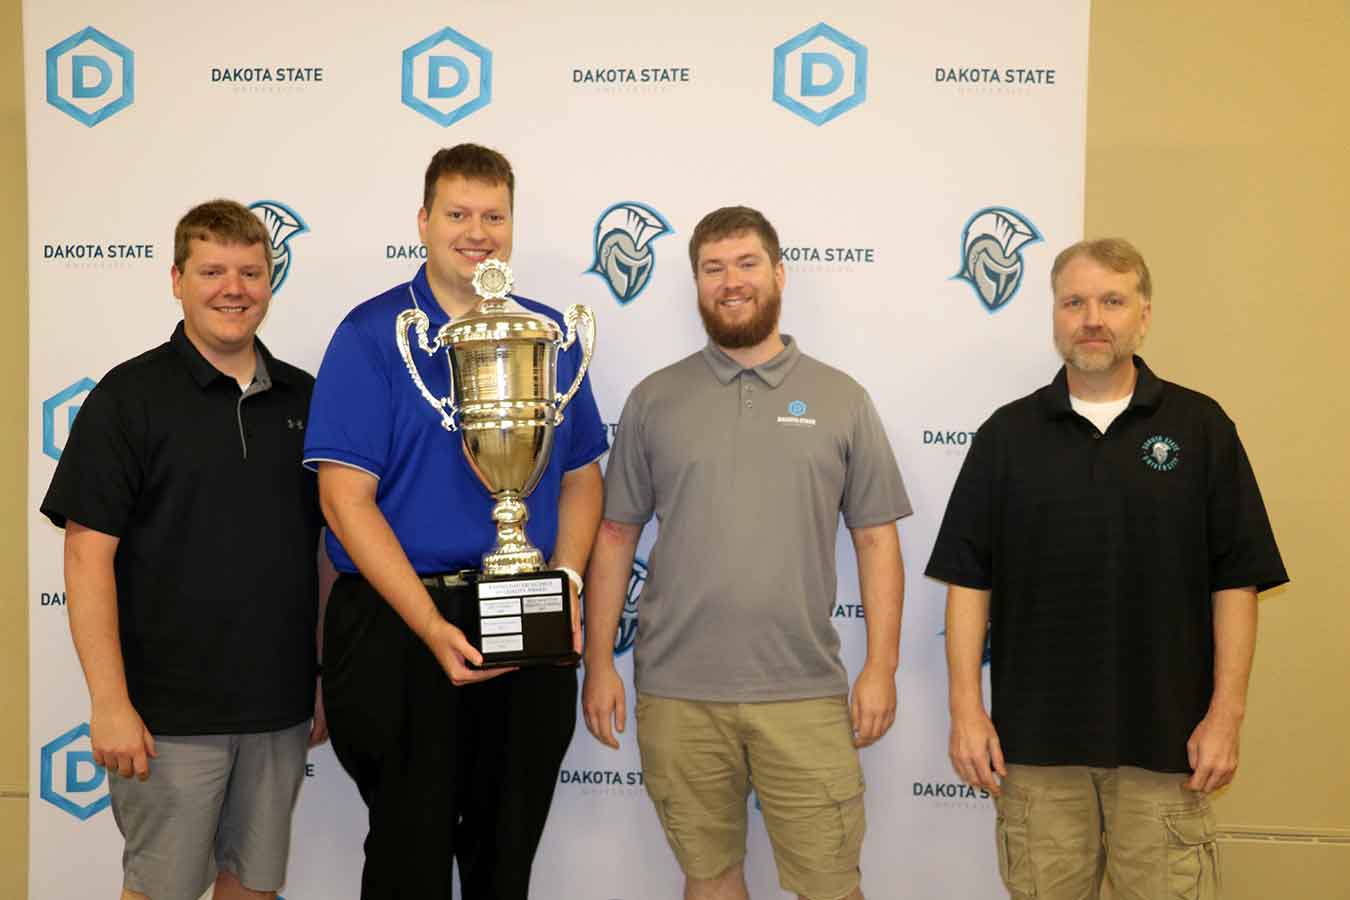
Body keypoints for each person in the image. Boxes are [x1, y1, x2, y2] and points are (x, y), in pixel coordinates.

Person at [926, 238, 1288, 900]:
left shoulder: (1201, 428)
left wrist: (1226, 716)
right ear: (1055, 316)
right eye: (1074, 302)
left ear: (1143, 315)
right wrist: (965, 711)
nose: (1092, 318)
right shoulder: (1007, 436)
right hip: (1035, 752)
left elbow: (1235, 581)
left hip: (1167, 748)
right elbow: (968, 581)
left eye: (1112, 301)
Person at [303, 143, 607, 899]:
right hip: (399, 623)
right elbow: (344, 500)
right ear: (424, 221)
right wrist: (431, 627)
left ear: (512, 224)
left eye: (494, 215)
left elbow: (581, 478)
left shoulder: (546, 334)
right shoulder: (374, 333)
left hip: (525, 610)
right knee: (411, 857)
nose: (477, 232)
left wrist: (564, 582)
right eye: (458, 214)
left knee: (506, 858)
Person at [583, 206, 910, 900]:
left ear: (779, 274)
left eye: (746, 263)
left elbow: (877, 539)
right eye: (713, 268)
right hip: (677, 692)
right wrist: (596, 666)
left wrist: (881, 666)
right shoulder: (654, 400)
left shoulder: (841, 398)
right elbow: (614, 537)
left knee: (829, 884)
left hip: (804, 690)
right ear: (697, 284)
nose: (731, 282)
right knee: (709, 879)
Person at [40, 199, 326, 900]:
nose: (234, 288)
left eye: (251, 272)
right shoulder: (128, 397)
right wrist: (109, 701)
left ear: (270, 281)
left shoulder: (306, 398)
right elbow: (86, 553)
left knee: (253, 887)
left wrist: (318, 678)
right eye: (213, 271)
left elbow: (322, 552)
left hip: (278, 709)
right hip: (165, 717)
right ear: (176, 279)